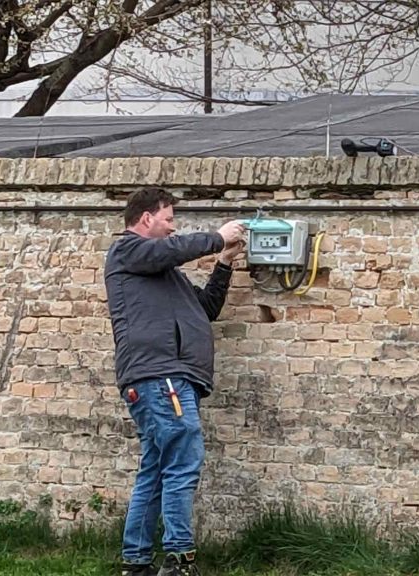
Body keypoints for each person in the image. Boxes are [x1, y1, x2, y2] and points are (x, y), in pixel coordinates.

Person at [104, 188, 245, 576]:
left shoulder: (164, 274)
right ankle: (179, 560)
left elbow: (207, 308)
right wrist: (218, 237)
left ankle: (136, 563)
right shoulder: (127, 251)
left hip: (164, 379)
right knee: (183, 463)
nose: (173, 227)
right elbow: (171, 250)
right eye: (168, 219)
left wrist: (224, 262)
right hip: (161, 377)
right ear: (146, 218)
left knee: (155, 470)